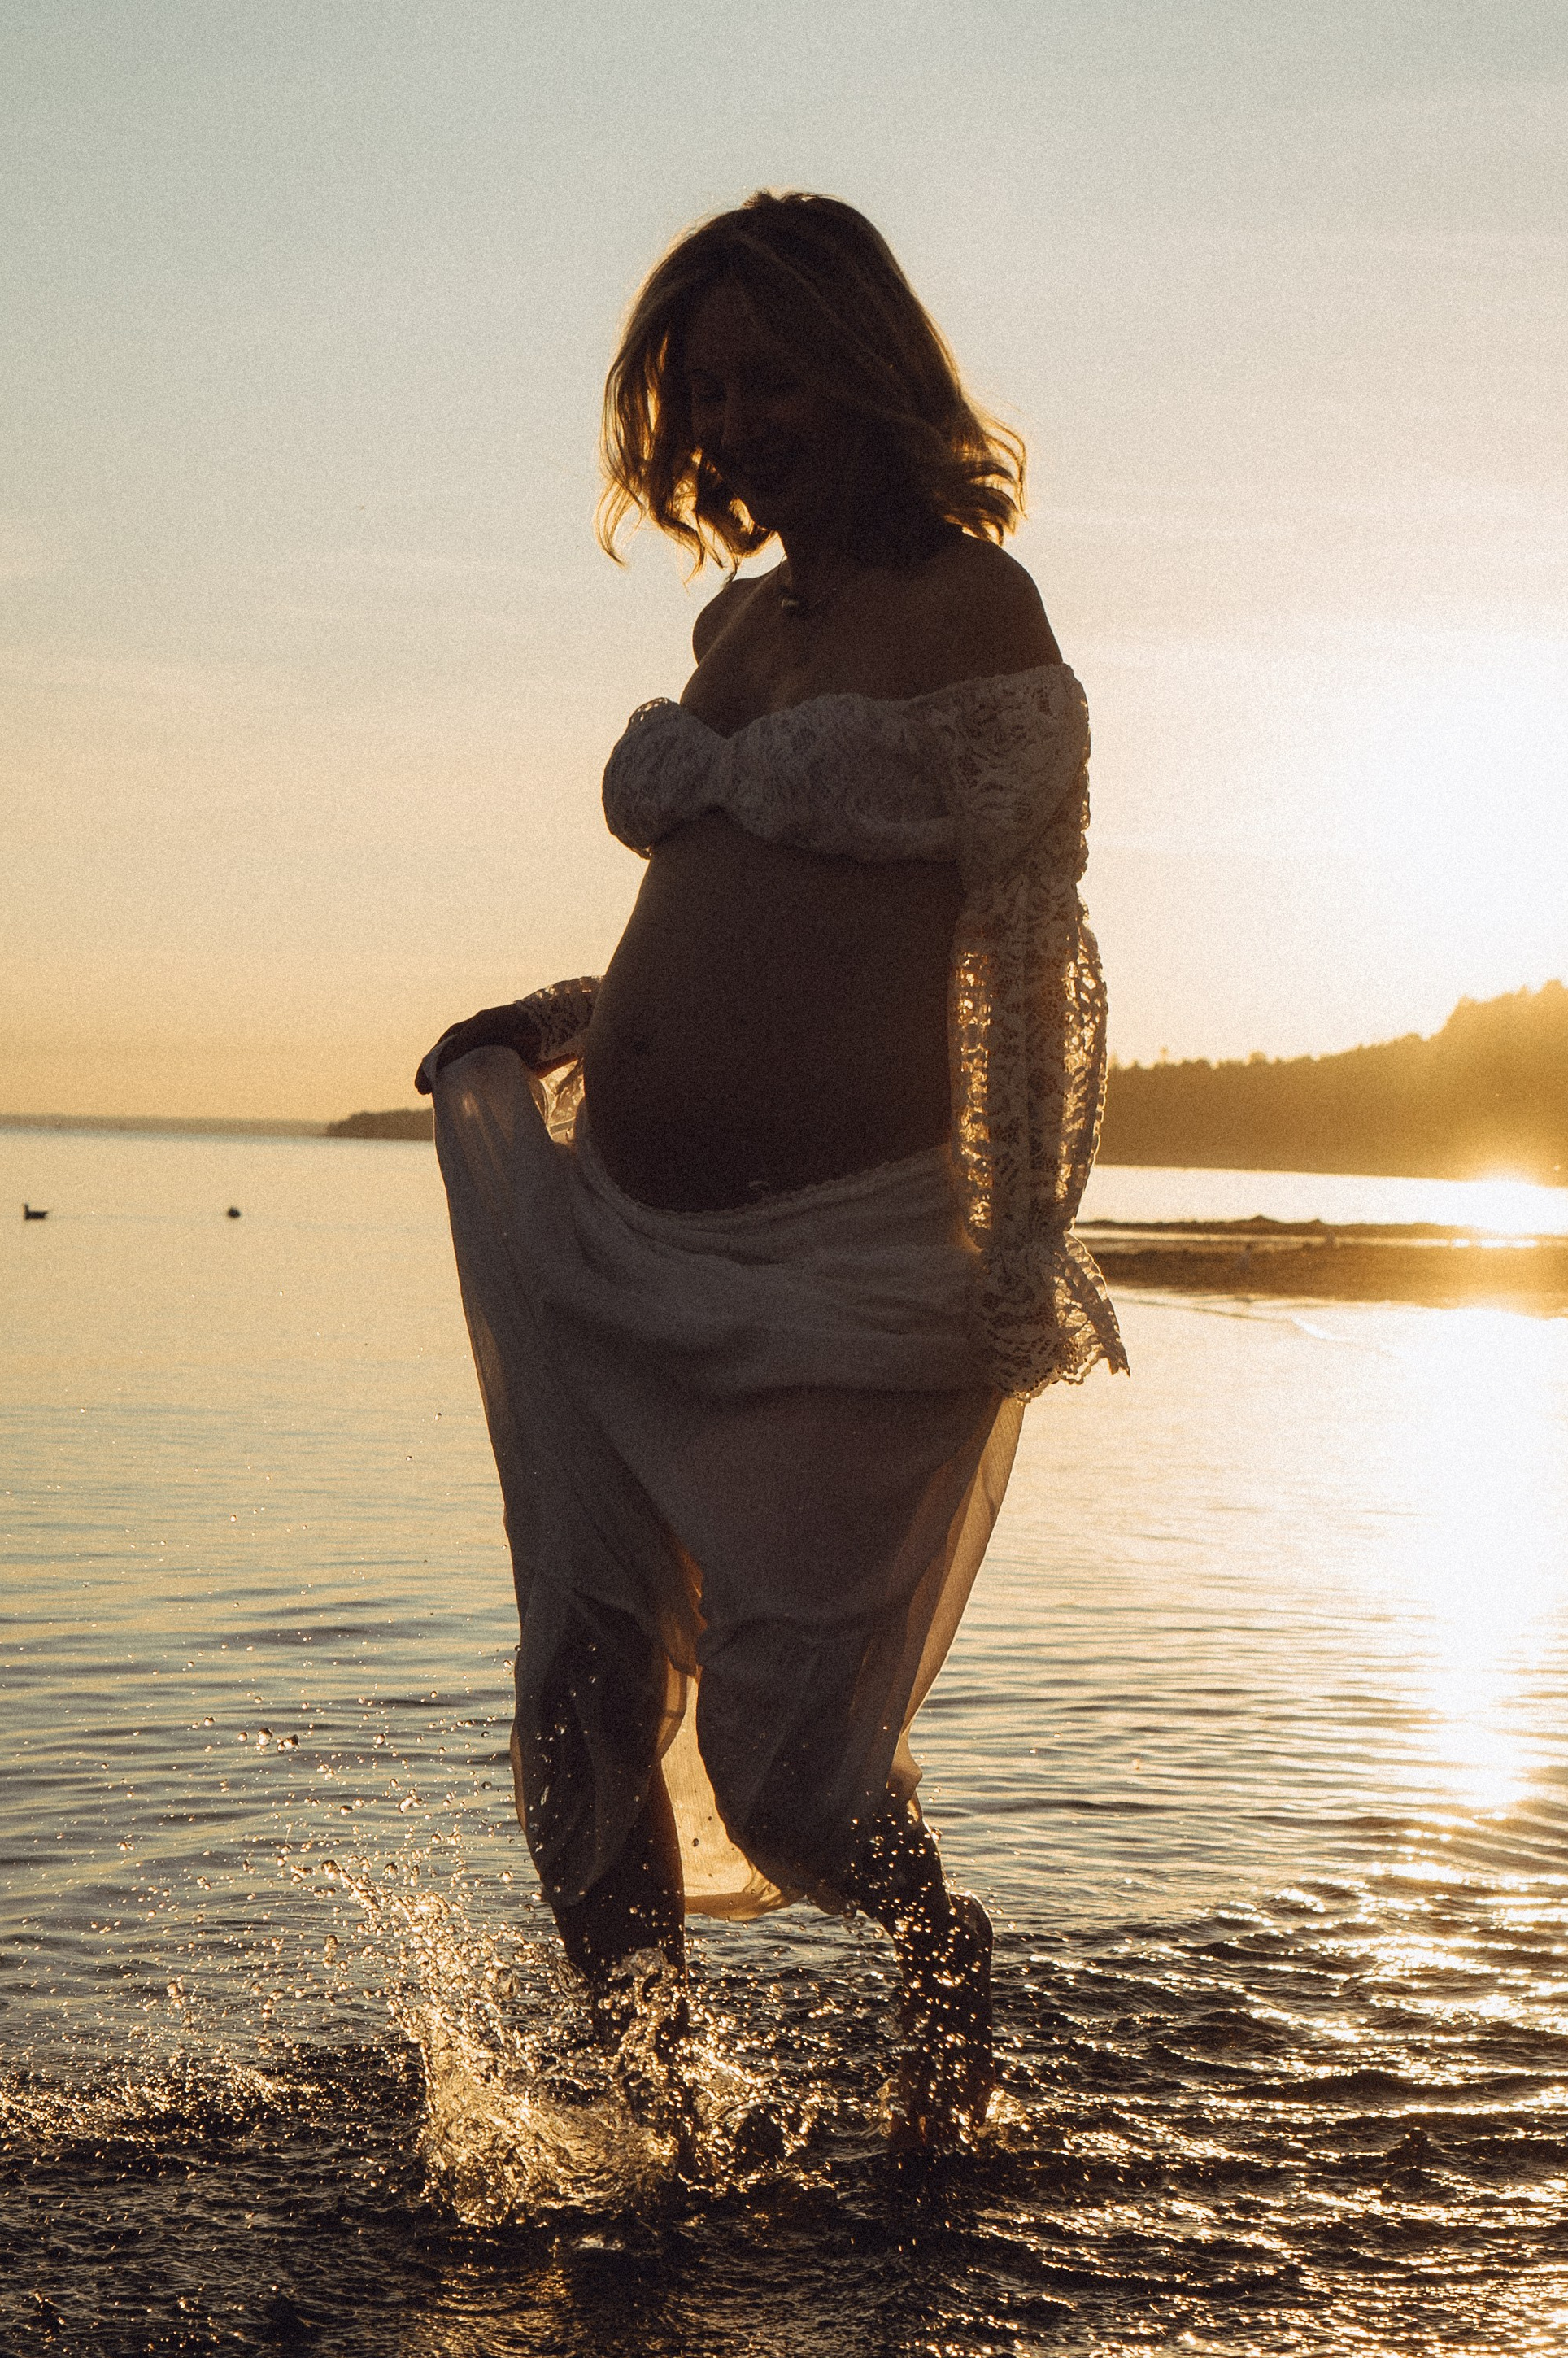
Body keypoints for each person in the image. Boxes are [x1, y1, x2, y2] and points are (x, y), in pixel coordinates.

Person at [415, 192, 1126, 2147]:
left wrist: (1021, 1245)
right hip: (609, 1233)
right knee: (574, 1691)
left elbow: (1017, 950)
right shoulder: (737, 622)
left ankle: (934, 1949)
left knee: (791, 1773)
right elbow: (733, 908)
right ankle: (649, 2115)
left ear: (865, 364)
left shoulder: (975, 608)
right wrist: (564, 1021)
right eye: (699, 383)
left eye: (765, 372)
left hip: (841, 1263)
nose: (730, 416)